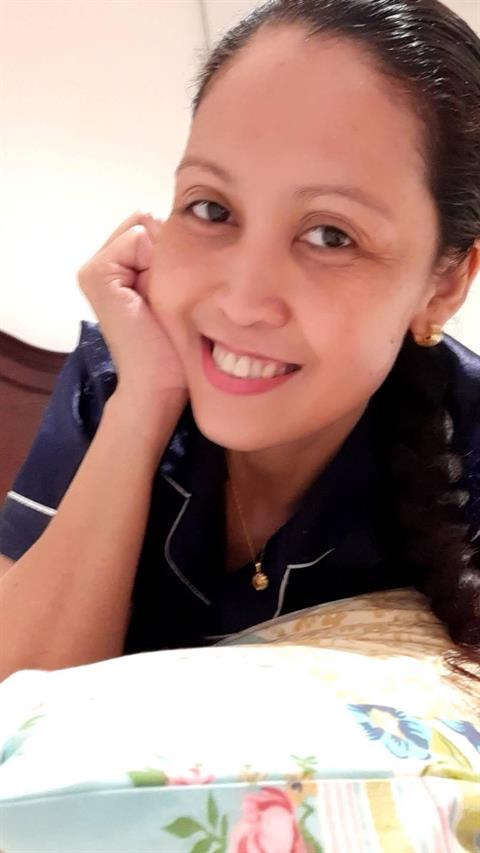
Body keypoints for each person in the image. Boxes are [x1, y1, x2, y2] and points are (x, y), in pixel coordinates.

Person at [0, 0, 479, 679]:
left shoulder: (467, 438)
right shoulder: (117, 373)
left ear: (445, 284)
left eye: (331, 235)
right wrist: (141, 408)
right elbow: (17, 695)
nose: (241, 302)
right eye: (212, 207)